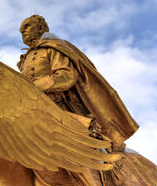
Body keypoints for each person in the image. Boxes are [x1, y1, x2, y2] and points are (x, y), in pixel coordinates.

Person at [17, 15, 139, 151]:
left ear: (40, 28)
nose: (23, 31)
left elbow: (67, 75)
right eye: (21, 29)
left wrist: (36, 86)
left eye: (27, 27)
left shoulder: (52, 48)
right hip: (31, 105)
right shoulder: (25, 58)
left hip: (57, 105)